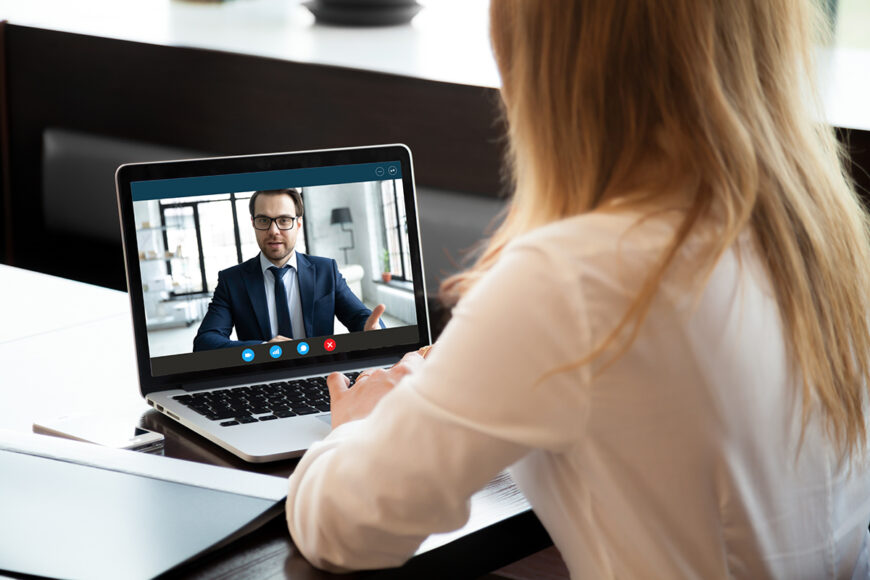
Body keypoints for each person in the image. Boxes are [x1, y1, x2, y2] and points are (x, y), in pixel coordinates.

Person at [286, 1, 870, 577]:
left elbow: (345, 527)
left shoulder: (573, 279)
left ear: (547, 61)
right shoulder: (824, 239)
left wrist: (363, 426)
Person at [193, 188, 385, 351]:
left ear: (298, 223)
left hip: (321, 372)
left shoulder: (326, 270)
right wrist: (262, 348)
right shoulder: (231, 280)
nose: (274, 230)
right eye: (263, 220)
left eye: (284, 220)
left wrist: (374, 329)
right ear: (253, 224)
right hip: (259, 376)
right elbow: (205, 341)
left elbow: (361, 317)